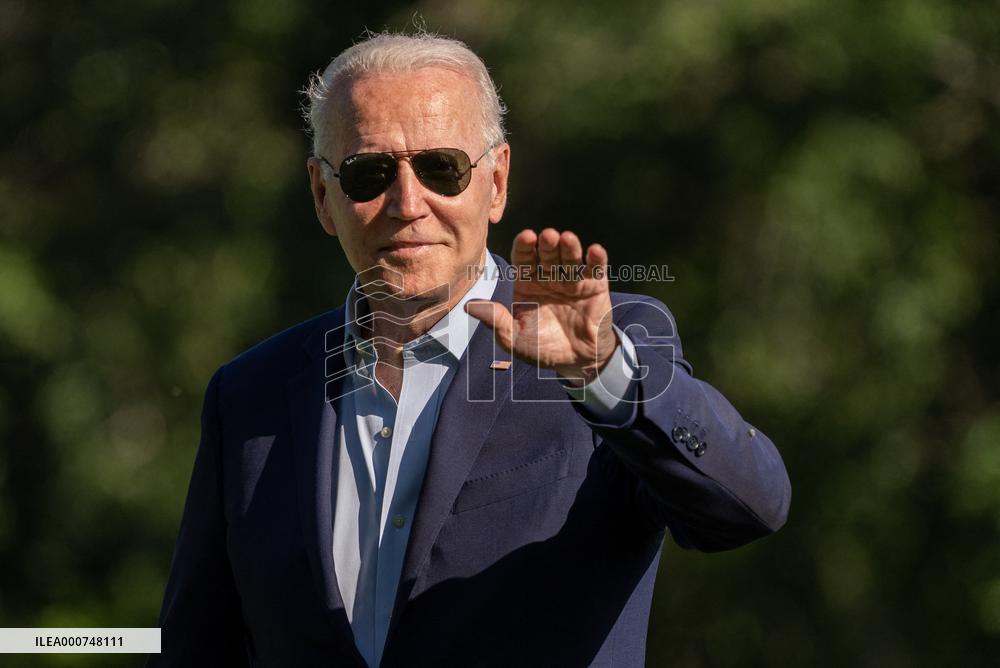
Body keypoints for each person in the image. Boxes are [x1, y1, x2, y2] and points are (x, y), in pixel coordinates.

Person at [151, 31, 791, 668]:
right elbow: (193, 647)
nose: (408, 205)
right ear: (323, 196)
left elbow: (744, 510)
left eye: (441, 169)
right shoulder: (249, 394)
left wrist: (602, 373)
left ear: (497, 182)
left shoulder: (611, 344)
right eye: (369, 174)